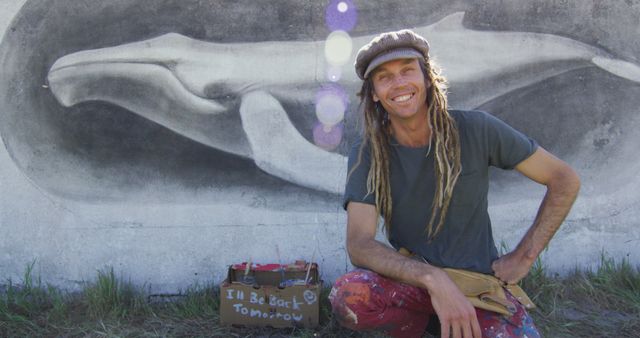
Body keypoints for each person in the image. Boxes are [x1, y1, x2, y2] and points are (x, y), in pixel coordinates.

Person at [328, 29, 580, 338]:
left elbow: (563, 179)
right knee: (349, 295)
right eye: (384, 77)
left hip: (477, 288)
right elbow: (359, 244)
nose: (399, 83)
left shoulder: (476, 129)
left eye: (408, 70)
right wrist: (433, 278)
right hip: (414, 283)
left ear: (427, 78)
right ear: (375, 94)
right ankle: (420, 329)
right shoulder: (368, 151)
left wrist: (524, 256)